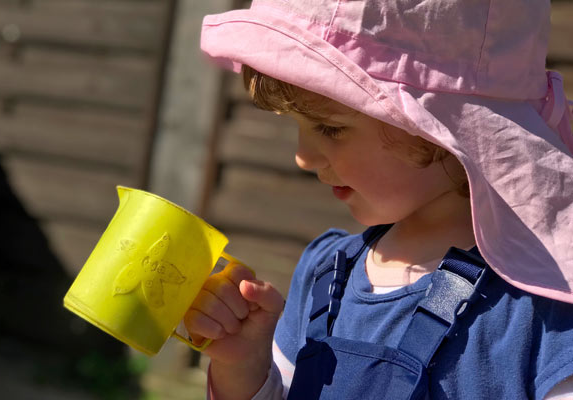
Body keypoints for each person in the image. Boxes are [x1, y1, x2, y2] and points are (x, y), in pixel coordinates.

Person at [184, 0, 573, 399]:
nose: (302, 157)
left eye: (330, 129)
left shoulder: (542, 312)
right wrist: (244, 366)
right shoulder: (325, 273)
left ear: (438, 128)